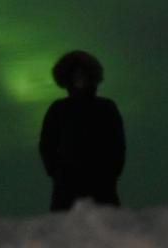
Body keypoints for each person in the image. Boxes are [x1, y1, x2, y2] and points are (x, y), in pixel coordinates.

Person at [38, 50, 126, 211]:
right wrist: (57, 173)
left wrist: (110, 173)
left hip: (101, 184)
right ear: (67, 78)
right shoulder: (58, 109)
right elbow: (47, 144)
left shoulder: (106, 107)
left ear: (91, 77)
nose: (79, 79)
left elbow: (117, 143)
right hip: (67, 186)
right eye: (75, 75)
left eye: (83, 75)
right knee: (66, 231)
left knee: (107, 231)